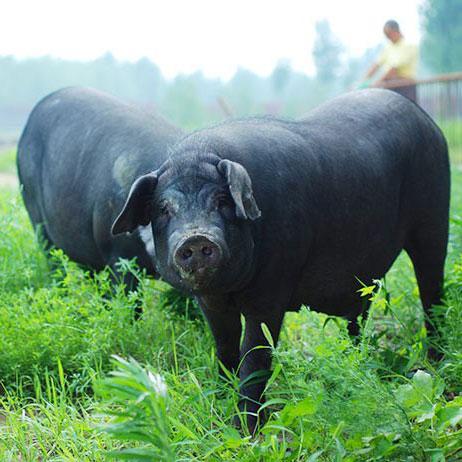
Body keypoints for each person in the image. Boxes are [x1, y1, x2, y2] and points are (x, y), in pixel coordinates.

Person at [362, 20, 418, 102]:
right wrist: (364, 81)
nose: (387, 37)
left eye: (388, 34)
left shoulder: (408, 45)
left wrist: (377, 83)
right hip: (391, 87)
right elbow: (376, 65)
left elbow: (394, 69)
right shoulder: (388, 48)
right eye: (386, 35)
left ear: (395, 31)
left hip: (405, 86)